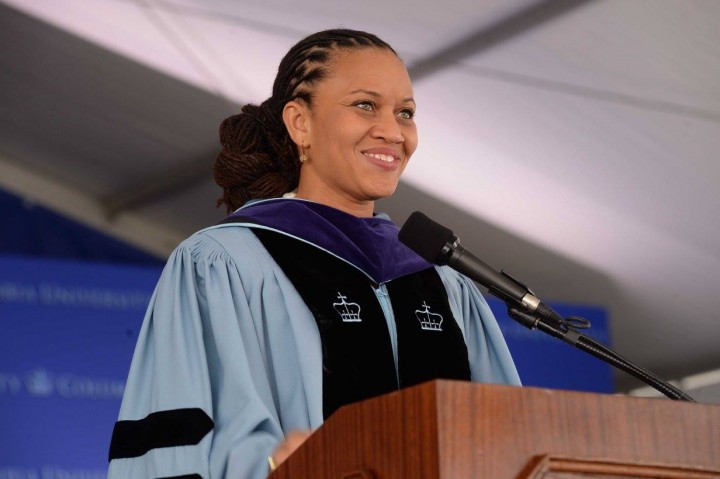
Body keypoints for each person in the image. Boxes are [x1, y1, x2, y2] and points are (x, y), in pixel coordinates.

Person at [107, 29, 520, 479]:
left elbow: (510, 442)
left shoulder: (442, 282)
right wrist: (270, 465)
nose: (392, 131)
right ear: (300, 122)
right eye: (365, 105)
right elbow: (179, 441)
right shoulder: (225, 263)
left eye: (405, 112)